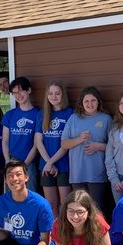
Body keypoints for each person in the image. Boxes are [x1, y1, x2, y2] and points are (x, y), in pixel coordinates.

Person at [61, 86, 111, 211]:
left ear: (98, 101)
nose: (90, 104)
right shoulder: (73, 118)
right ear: (81, 103)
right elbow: (64, 144)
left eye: (93, 100)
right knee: (80, 209)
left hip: (97, 173)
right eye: (86, 101)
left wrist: (98, 146)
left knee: (96, 210)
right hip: (77, 174)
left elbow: (114, 147)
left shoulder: (106, 119)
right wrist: (79, 139)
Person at [35, 80, 73, 217]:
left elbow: (66, 144)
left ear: (63, 95)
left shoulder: (70, 114)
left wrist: (51, 162)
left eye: (57, 93)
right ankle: (55, 234)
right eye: (50, 93)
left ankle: (65, 233)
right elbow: (38, 141)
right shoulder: (42, 113)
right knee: (50, 203)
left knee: (65, 203)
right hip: (45, 166)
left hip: (63, 165)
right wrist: (48, 163)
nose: (54, 96)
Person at [2, 77, 40, 192]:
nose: (18, 95)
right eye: (14, 93)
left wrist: (25, 165)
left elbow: (36, 144)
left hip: (30, 162)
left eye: (20, 91)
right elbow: (5, 141)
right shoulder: (10, 114)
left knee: (30, 195)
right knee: (11, 195)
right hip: (12, 161)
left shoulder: (38, 114)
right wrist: (8, 161)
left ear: (28, 90)